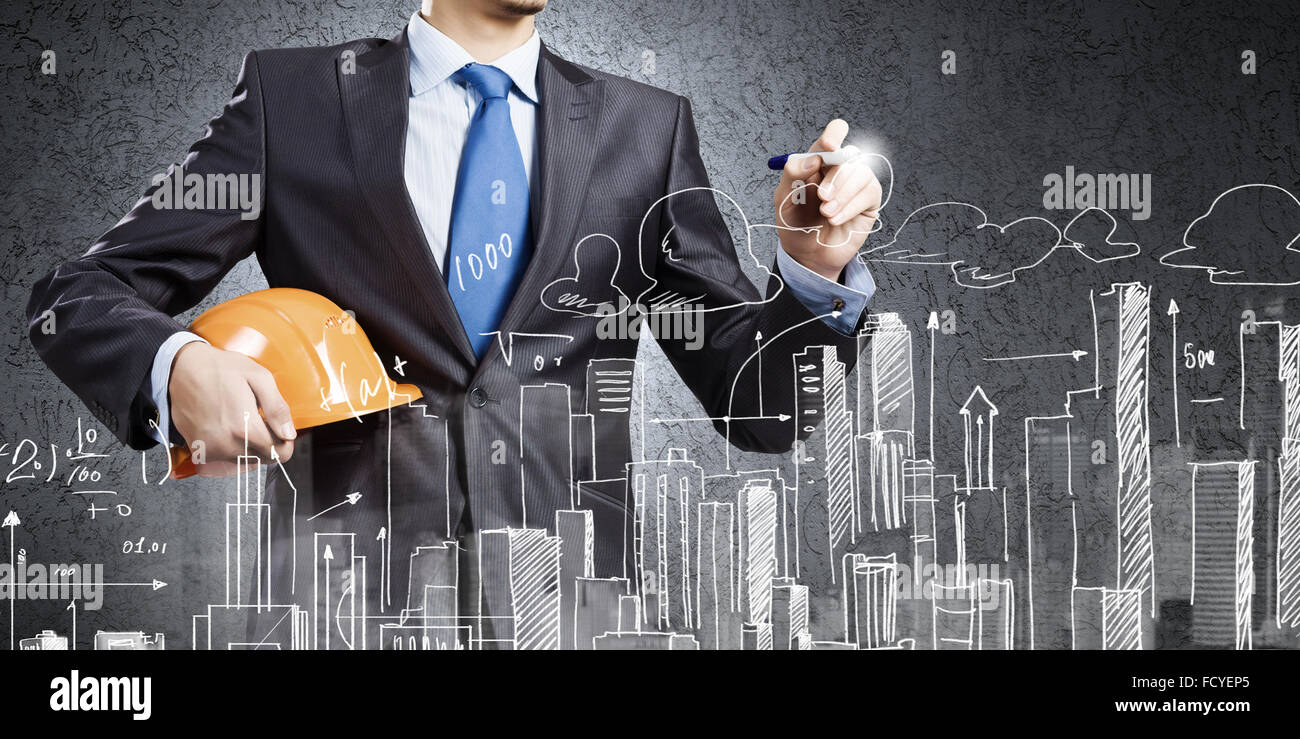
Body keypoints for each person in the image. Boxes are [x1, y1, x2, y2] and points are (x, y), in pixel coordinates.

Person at [27, 0, 881, 647]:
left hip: (573, 616)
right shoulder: (293, 101)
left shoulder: (646, 130)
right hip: (342, 614)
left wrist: (813, 271)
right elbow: (77, 294)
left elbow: (762, 410)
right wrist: (175, 365)